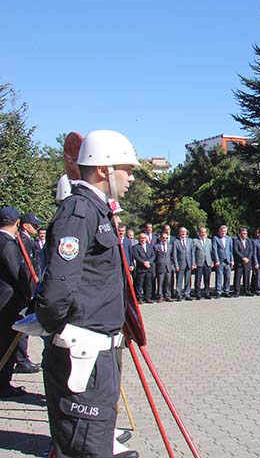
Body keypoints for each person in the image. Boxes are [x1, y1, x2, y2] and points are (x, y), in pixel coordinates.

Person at [36, 129, 140, 457]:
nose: (132, 177)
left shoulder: (97, 210)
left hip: (98, 355)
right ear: (103, 169)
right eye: (128, 169)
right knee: (86, 448)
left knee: (93, 443)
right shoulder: (78, 211)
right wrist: (60, 329)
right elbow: (57, 289)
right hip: (82, 353)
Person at [0, 206, 34, 397]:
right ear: (18, 223)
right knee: (7, 343)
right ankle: (3, 384)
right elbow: (17, 273)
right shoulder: (8, 244)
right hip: (8, 302)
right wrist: (30, 294)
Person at [15, 213, 42, 374]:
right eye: (35, 226)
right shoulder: (22, 241)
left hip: (31, 286)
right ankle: (21, 360)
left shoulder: (29, 241)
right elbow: (25, 268)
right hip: (26, 289)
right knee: (23, 325)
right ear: (25, 226)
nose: (37, 228)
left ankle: (23, 358)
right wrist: (30, 289)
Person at [172, 227, 195, 301]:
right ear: (179, 233)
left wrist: (193, 263)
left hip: (189, 263)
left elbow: (192, 253)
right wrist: (176, 265)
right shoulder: (176, 242)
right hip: (180, 264)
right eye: (181, 232)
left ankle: (187, 294)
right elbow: (174, 255)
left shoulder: (190, 241)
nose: (183, 233)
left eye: (184, 232)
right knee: (179, 280)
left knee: (188, 280)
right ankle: (179, 294)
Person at [132, 233, 155, 303]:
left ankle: (147, 297)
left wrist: (149, 262)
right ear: (139, 239)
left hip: (149, 268)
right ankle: (140, 298)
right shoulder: (136, 247)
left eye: (144, 238)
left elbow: (153, 255)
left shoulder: (150, 246)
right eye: (141, 238)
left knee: (148, 284)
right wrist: (143, 263)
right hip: (141, 268)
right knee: (139, 284)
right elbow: (136, 256)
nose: (143, 239)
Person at [213, 225, 234, 298]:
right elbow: (215, 250)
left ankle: (226, 291)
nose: (223, 232)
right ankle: (219, 292)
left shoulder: (229, 238)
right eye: (222, 231)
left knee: (227, 277)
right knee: (219, 277)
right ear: (219, 231)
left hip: (227, 260)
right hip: (220, 261)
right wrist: (216, 260)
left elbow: (231, 250)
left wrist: (232, 260)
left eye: (225, 231)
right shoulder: (216, 238)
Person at [193, 227, 214, 300]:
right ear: (199, 233)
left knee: (207, 279)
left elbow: (211, 252)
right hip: (199, 263)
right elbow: (193, 253)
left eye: (204, 232)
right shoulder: (195, 241)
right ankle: (198, 294)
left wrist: (212, 261)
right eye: (202, 232)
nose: (203, 234)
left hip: (208, 262)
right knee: (198, 279)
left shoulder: (209, 241)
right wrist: (194, 263)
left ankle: (207, 293)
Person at [154, 230, 175, 302]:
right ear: (160, 238)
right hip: (160, 267)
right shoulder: (156, 247)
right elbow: (154, 257)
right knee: (160, 282)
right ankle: (160, 296)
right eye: (163, 238)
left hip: (168, 267)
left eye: (166, 238)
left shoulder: (170, 246)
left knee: (168, 282)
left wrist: (172, 264)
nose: (165, 239)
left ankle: (168, 296)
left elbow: (172, 256)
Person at [233, 227, 254, 297]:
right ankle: (237, 291)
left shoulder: (249, 241)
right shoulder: (236, 241)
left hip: (247, 262)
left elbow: (251, 250)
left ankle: (246, 290)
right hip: (239, 262)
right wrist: (243, 258)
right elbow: (236, 251)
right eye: (243, 233)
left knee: (247, 277)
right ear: (240, 234)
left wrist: (248, 258)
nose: (245, 235)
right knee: (237, 277)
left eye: (246, 233)